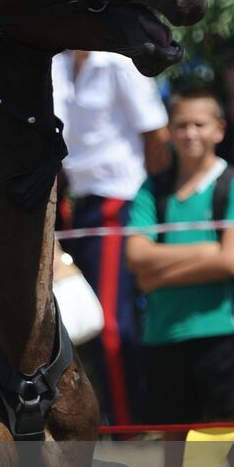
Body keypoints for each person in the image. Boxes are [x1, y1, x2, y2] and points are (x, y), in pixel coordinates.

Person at [124, 89, 234, 467]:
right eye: (181, 124)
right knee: (176, 463)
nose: (190, 133)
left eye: (201, 124)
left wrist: (162, 270)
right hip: (163, 342)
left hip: (221, 338)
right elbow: (136, 257)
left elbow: (233, 262)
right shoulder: (151, 189)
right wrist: (204, 251)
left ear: (219, 129)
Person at [52, 50, 170, 426]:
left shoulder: (117, 61)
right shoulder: (56, 61)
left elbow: (156, 133)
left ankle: (127, 422)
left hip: (119, 198)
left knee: (110, 320)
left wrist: (153, 198)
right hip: (75, 200)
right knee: (78, 314)